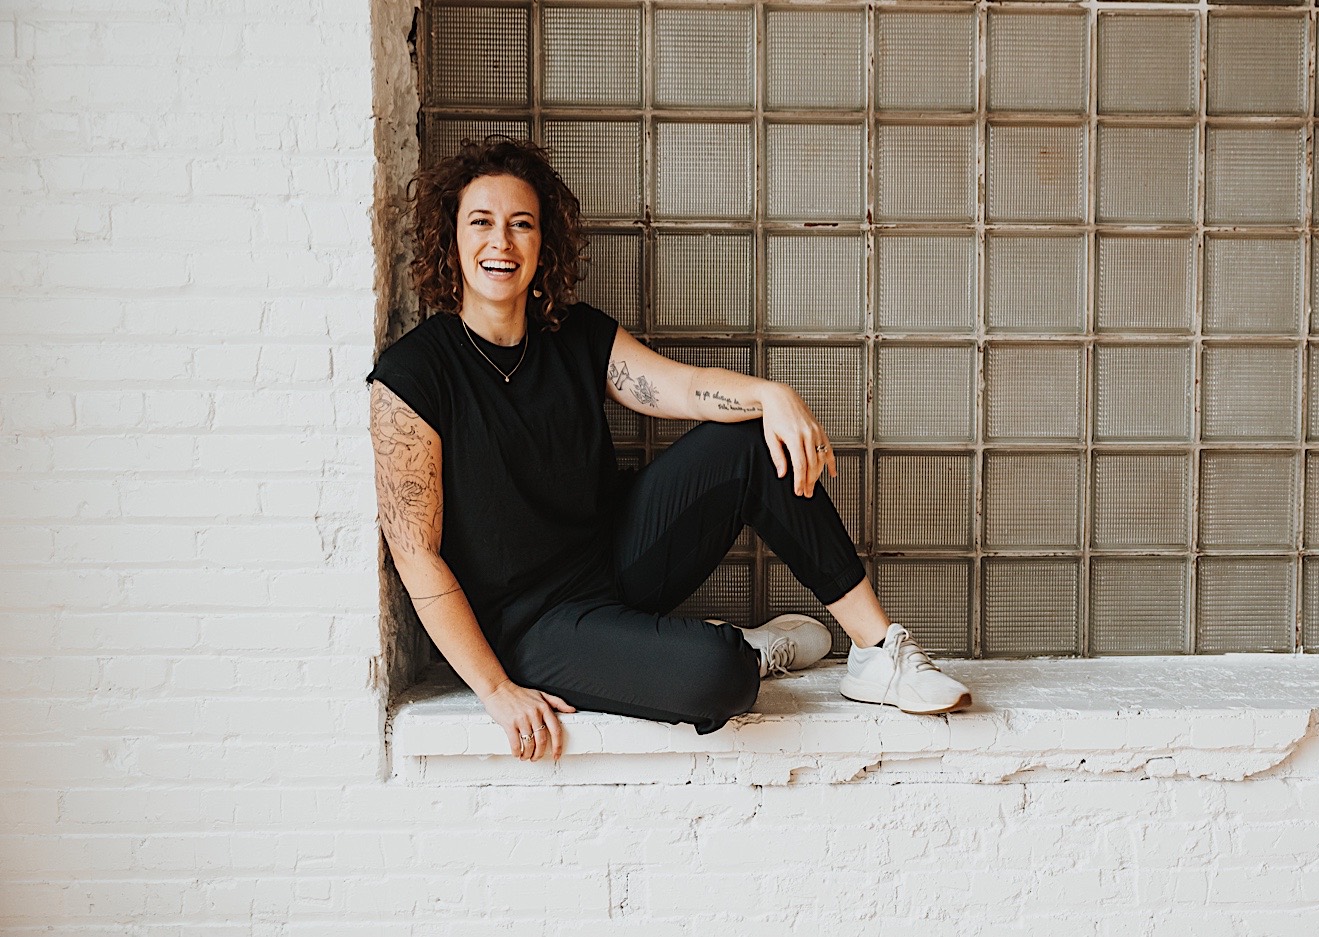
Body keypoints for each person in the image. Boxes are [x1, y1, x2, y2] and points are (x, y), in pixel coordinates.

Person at [367, 135, 973, 764]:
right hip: (532, 630)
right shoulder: (414, 376)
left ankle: (877, 654)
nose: (501, 242)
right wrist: (496, 690)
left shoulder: (573, 336)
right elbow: (417, 556)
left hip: (617, 565)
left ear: (542, 241)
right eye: (481, 223)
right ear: (451, 237)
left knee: (748, 442)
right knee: (720, 676)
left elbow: (680, 386)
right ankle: (746, 650)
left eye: (521, 224)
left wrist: (772, 396)